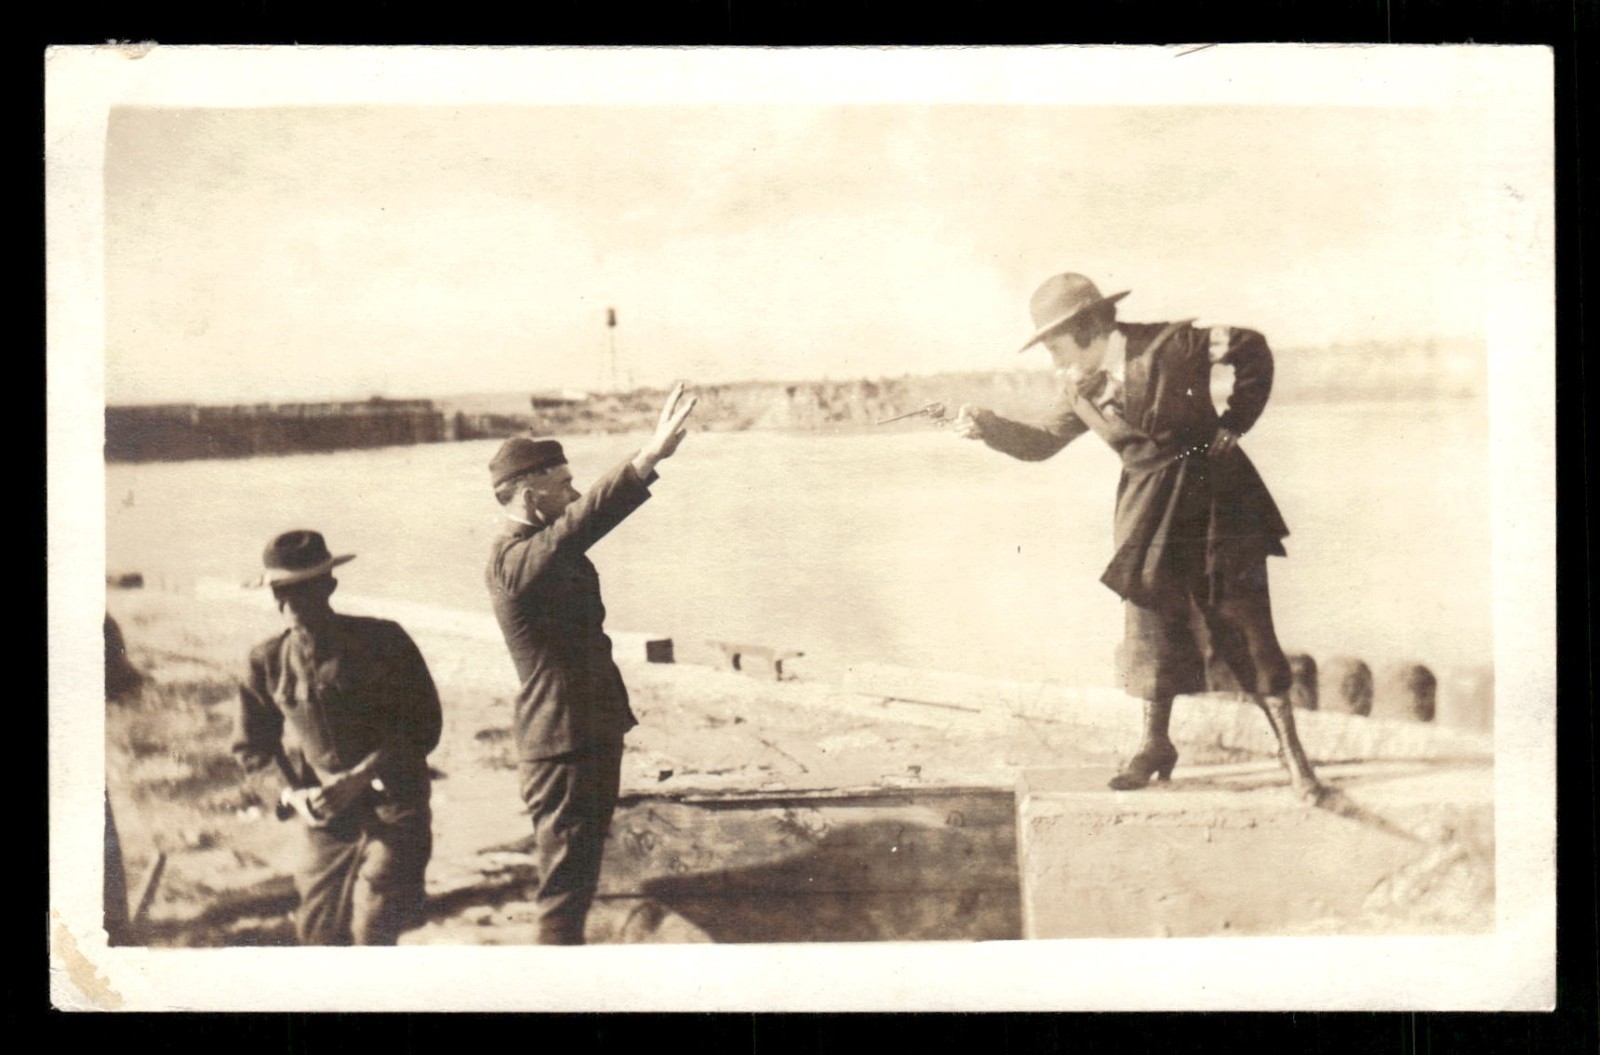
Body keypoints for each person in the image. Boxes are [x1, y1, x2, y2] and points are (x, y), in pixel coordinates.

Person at [954, 272, 1326, 802]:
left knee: (1245, 626)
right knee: (1150, 632)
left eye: (1055, 344)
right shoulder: (1078, 388)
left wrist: (1234, 423)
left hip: (1219, 505)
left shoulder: (1173, 344)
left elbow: (1252, 348)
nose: (1052, 359)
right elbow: (1041, 442)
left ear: (1087, 328)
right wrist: (987, 426)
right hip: (1149, 515)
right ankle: (1155, 745)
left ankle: (1295, 759)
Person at [486, 382, 696, 945]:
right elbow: (583, 523)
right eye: (563, 486)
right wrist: (647, 458)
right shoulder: (515, 560)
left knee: (580, 877)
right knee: (563, 888)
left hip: (587, 734)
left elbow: (574, 528)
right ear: (531, 497)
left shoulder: (545, 549)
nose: (574, 494)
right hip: (561, 746)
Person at [232, 530, 443, 945]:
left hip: (395, 806)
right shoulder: (267, 660)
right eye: (279, 591)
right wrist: (292, 796)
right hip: (327, 820)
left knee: (373, 927)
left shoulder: (384, 641)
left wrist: (361, 777)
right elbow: (251, 748)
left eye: (300, 590)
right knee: (318, 935)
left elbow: (423, 725)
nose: (287, 604)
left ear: (329, 585)